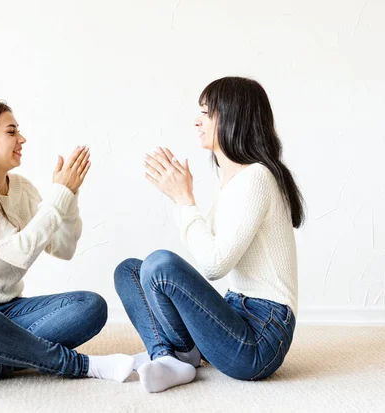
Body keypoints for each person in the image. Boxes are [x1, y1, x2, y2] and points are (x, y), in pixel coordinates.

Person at [0, 98, 134, 391]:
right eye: (11, 132)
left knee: (90, 305)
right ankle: (82, 365)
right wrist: (59, 194)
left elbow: (63, 249)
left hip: (5, 312)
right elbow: (18, 252)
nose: (22, 139)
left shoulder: (22, 188)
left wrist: (69, 196)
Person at [114, 77, 305, 393]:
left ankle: (173, 355)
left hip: (260, 339)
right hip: (235, 311)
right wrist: (182, 200)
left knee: (160, 264)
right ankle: (171, 358)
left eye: (206, 112)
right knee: (130, 271)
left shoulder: (258, 177)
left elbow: (215, 266)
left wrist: (184, 200)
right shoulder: (233, 180)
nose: (196, 121)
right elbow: (209, 253)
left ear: (232, 117)